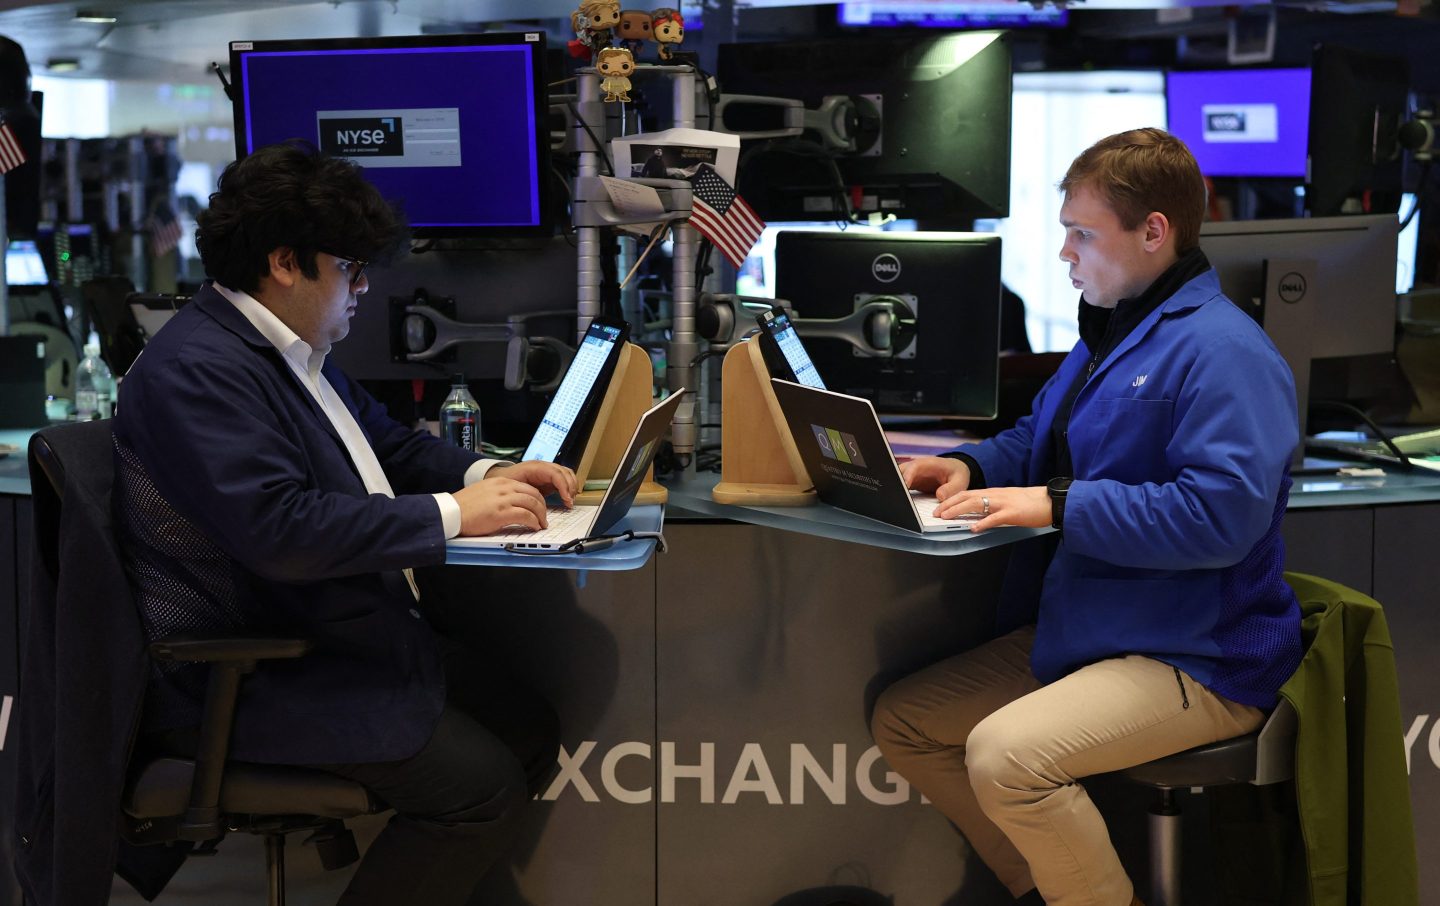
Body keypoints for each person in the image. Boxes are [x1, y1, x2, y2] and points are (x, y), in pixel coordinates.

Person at [112, 141, 577, 906]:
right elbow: (283, 530)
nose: (363, 289)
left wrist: (487, 474)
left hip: (327, 633)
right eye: (351, 270)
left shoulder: (280, 349)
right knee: (481, 789)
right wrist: (459, 515)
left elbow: (385, 445)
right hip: (255, 672)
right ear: (285, 262)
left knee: (527, 725)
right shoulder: (199, 370)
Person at [871, 128, 1302, 906]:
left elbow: (1221, 516)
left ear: (1154, 232)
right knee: (907, 723)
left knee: (1007, 756)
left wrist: (1059, 504)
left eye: (1081, 233)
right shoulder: (1116, 328)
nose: (1065, 253)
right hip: (1102, 629)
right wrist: (969, 466)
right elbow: (1041, 436)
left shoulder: (1226, 352)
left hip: (1199, 655)